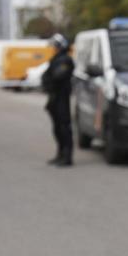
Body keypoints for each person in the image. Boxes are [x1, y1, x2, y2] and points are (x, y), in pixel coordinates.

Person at [41, 34, 74, 166]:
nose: (53, 49)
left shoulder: (66, 60)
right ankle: (60, 153)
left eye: (55, 46)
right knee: (57, 128)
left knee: (64, 127)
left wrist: (48, 81)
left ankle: (67, 157)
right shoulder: (56, 59)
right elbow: (48, 75)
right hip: (55, 96)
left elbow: (58, 76)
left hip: (61, 96)